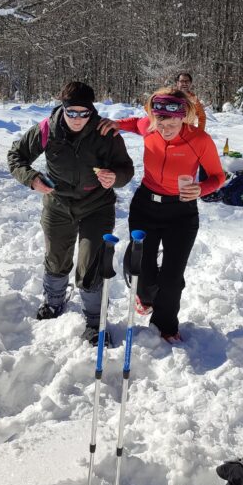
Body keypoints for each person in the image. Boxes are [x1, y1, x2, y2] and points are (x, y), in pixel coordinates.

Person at [8, 81, 134, 345]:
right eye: (72, 112)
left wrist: (116, 177)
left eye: (84, 113)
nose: (77, 119)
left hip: (96, 207)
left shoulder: (105, 133)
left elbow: (126, 169)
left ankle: (94, 321)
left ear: (91, 111)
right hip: (58, 204)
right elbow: (16, 156)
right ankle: (54, 302)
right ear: (62, 109)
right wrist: (31, 178)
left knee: (91, 264)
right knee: (56, 256)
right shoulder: (46, 129)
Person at [99, 88, 225, 343]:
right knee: (143, 275)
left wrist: (201, 188)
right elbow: (136, 123)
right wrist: (117, 124)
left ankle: (166, 326)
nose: (165, 129)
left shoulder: (200, 140)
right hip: (145, 206)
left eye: (172, 123)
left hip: (181, 212)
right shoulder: (150, 125)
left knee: (171, 277)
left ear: (184, 117)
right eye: (160, 122)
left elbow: (218, 177)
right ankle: (144, 297)